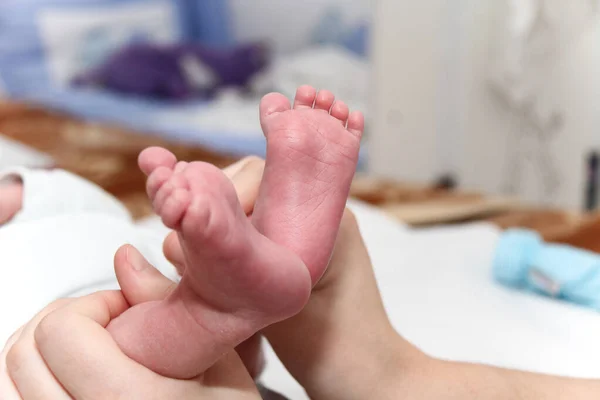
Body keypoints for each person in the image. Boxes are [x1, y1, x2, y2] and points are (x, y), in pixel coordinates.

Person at [1, 89, 600, 399]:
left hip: (81, 318)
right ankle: (219, 309)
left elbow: (53, 198)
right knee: (136, 340)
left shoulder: (51, 198)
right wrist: (390, 378)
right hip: (94, 319)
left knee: (126, 339)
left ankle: (218, 309)